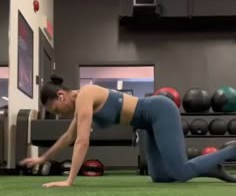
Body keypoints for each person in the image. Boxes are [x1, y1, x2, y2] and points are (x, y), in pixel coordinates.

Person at [19, 74, 236, 187]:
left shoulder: (85, 94)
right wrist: (43, 158)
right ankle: (212, 169)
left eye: (57, 109)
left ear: (61, 96)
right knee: (160, 177)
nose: (60, 113)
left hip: (159, 111)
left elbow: (82, 141)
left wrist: (69, 181)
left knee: (179, 171)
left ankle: (230, 151)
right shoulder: (79, 106)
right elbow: (69, 136)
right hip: (145, 124)